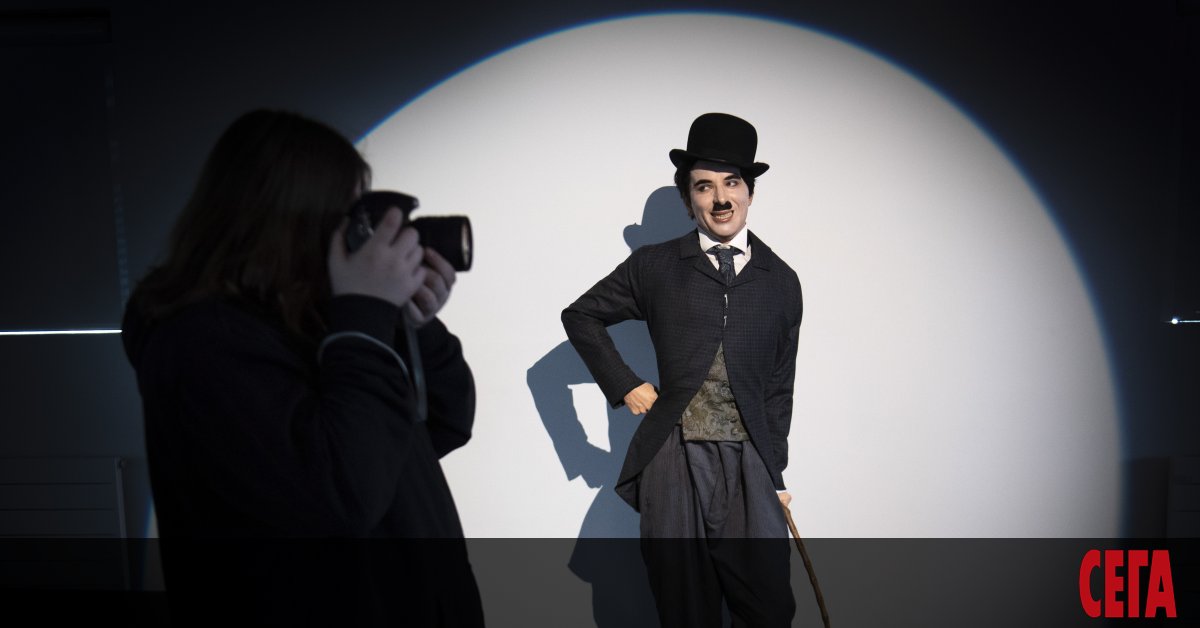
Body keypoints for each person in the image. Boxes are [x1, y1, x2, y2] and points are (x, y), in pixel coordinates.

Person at [121, 109, 484, 626]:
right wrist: (366, 315)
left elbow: (446, 421)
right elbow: (344, 489)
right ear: (294, 219)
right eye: (347, 215)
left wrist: (413, 325)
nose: (357, 234)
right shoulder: (203, 343)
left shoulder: (317, 317)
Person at [562, 112, 802, 627]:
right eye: (704, 186)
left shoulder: (781, 280)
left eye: (731, 183)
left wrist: (775, 475)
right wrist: (625, 384)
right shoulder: (655, 265)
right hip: (673, 457)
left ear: (750, 192)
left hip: (750, 462)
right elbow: (580, 316)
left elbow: (779, 388)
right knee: (685, 608)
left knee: (769, 608)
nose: (720, 199)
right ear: (688, 199)